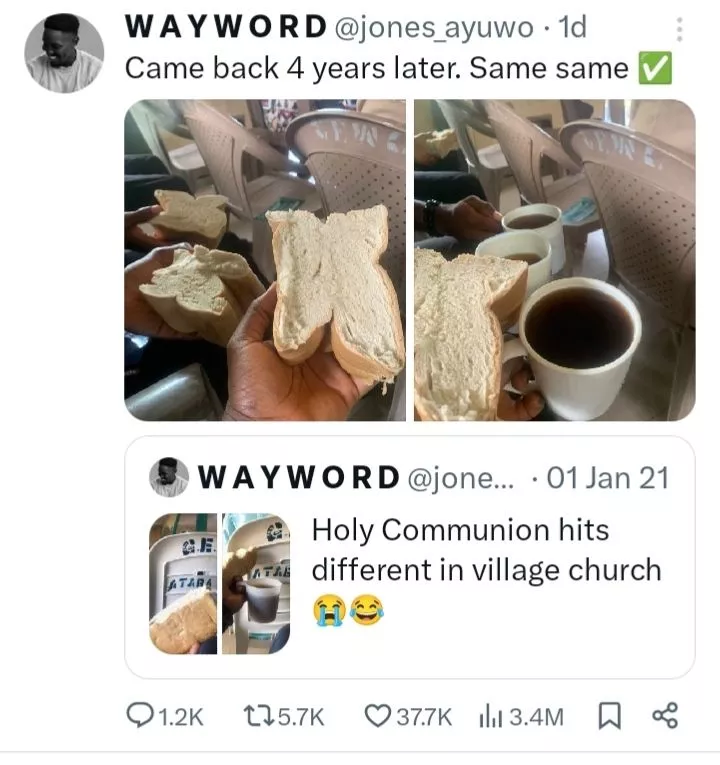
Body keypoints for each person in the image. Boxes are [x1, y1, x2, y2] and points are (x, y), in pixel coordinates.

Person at [27, 14, 102, 93]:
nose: (48, 51)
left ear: (75, 41)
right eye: (45, 44)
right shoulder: (32, 70)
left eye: (56, 46)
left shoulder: (94, 71)